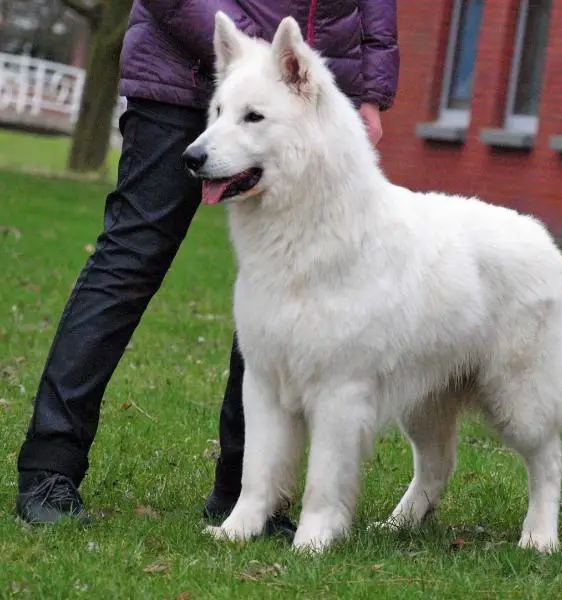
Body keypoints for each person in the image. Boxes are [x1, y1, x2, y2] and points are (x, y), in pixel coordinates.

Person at [14, 0, 399, 538]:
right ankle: (48, 470)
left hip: (292, 97)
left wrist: (372, 90)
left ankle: (246, 496)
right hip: (189, 68)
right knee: (130, 261)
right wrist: (245, 59)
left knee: (282, 284)